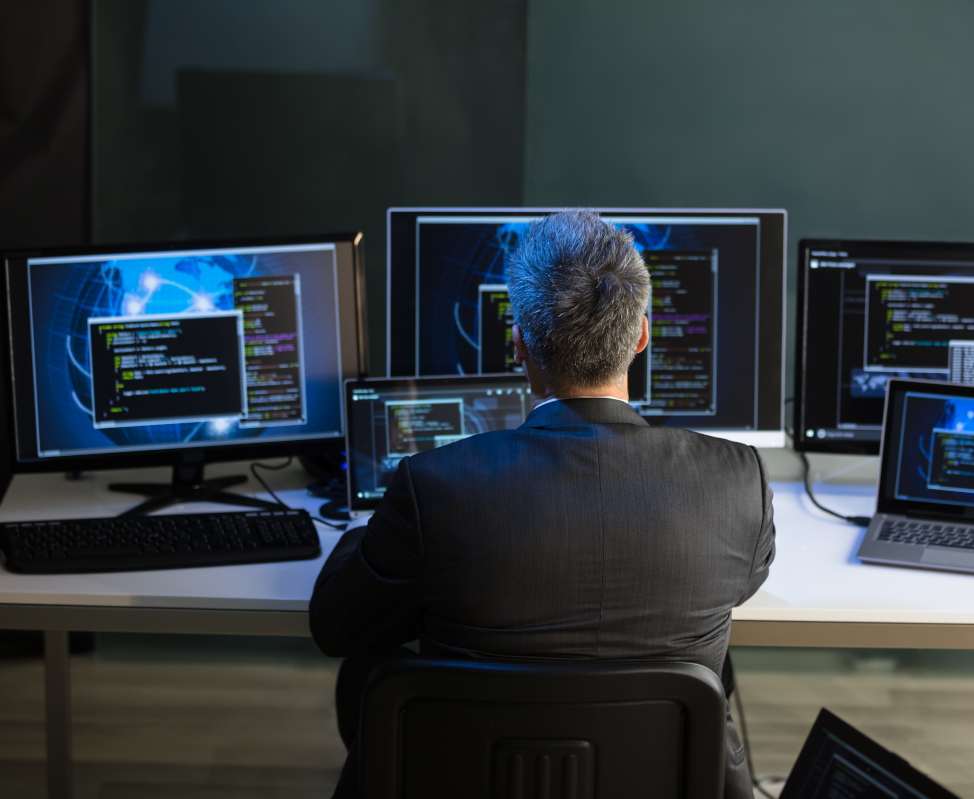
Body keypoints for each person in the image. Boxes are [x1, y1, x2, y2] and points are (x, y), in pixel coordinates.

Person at [310, 209, 776, 798]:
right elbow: (742, 582)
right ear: (641, 336)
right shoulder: (738, 481)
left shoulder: (434, 485)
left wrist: (373, 530)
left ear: (519, 345)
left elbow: (336, 627)